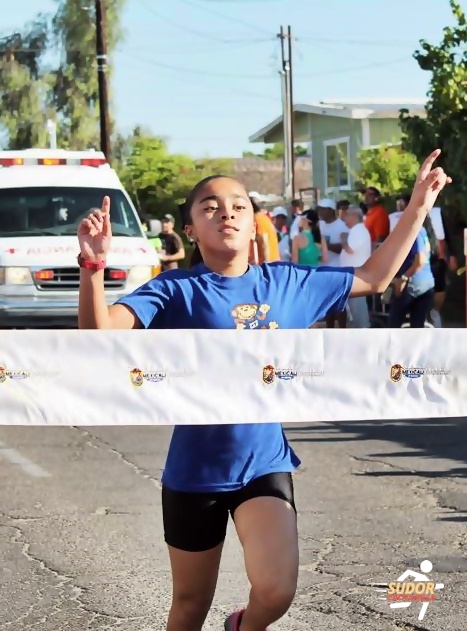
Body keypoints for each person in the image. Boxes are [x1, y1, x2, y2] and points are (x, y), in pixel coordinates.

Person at [77, 150, 449, 631]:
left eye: (237, 205)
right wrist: (93, 269)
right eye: (209, 206)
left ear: (254, 224)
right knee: (189, 606)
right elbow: (97, 340)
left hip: (264, 464)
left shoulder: (290, 283)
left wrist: (418, 207)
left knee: (276, 590)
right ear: (190, 230)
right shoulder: (173, 290)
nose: (225, 213)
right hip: (194, 473)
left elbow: (374, 276)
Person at [388, 219, 436, 328]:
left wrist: (403, 278)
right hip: (427, 283)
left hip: (413, 284)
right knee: (417, 328)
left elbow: (420, 260)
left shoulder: (415, 231)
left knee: (393, 325)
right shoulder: (423, 230)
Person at [316, 198, 349, 328]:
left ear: (330, 211)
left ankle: (342, 329)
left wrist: (324, 245)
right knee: (327, 301)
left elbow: (342, 247)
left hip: (337, 268)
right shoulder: (320, 224)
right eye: (319, 209)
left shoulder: (342, 226)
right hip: (322, 268)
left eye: (322, 209)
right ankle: (329, 328)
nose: (320, 212)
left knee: (340, 302)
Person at [340, 205, 372, 328]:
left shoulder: (359, 230)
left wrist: (343, 239)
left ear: (353, 216)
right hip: (353, 276)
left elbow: (350, 249)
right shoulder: (355, 230)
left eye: (347, 215)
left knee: (359, 314)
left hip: (356, 277)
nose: (344, 218)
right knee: (353, 313)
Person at [251, 198, 280, 264]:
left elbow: (264, 243)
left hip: (268, 265)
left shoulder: (258, 219)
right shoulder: (263, 218)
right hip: (273, 263)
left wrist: (266, 266)